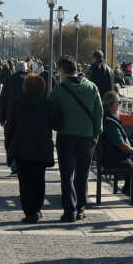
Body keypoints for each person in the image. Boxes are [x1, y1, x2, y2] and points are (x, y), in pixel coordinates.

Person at [48, 57, 103, 223]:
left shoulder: (59, 90)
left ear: (62, 71)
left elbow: (50, 113)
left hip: (66, 136)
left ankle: (69, 211)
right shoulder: (92, 87)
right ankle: (81, 208)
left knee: (67, 176)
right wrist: (95, 134)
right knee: (83, 174)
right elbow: (99, 113)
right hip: (87, 137)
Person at [6, 74, 54, 223]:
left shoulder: (17, 103)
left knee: (24, 182)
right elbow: (56, 123)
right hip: (41, 147)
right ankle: (37, 209)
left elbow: (10, 127)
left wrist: (9, 147)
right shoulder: (47, 103)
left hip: (21, 147)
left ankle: (28, 212)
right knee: (39, 180)